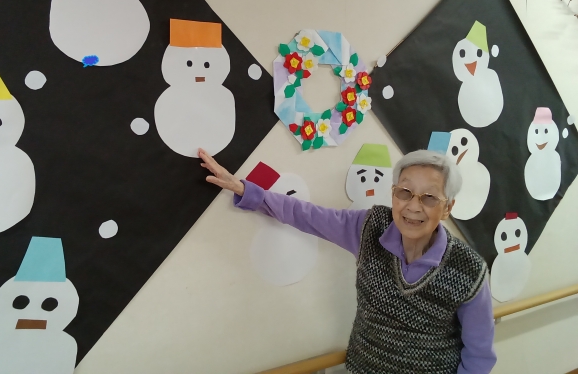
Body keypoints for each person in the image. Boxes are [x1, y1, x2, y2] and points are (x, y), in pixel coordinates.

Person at [198, 148, 496, 374]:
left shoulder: (469, 270)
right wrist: (245, 190)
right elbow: (308, 215)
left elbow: (479, 355)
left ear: (448, 208)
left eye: (429, 197)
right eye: (404, 192)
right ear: (394, 194)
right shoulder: (370, 228)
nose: (413, 206)